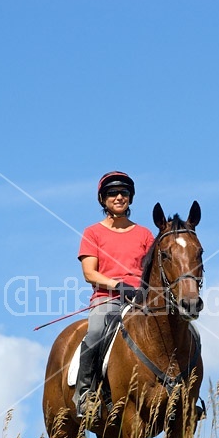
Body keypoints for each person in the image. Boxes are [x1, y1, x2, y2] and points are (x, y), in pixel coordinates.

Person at [74, 171, 154, 417]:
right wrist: (119, 286)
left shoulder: (145, 234)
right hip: (107, 299)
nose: (119, 197)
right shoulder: (92, 233)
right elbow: (89, 273)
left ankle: (182, 394)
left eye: (124, 193)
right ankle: (86, 395)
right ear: (102, 199)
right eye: (112, 193)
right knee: (97, 332)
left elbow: (153, 271)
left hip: (140, 301)